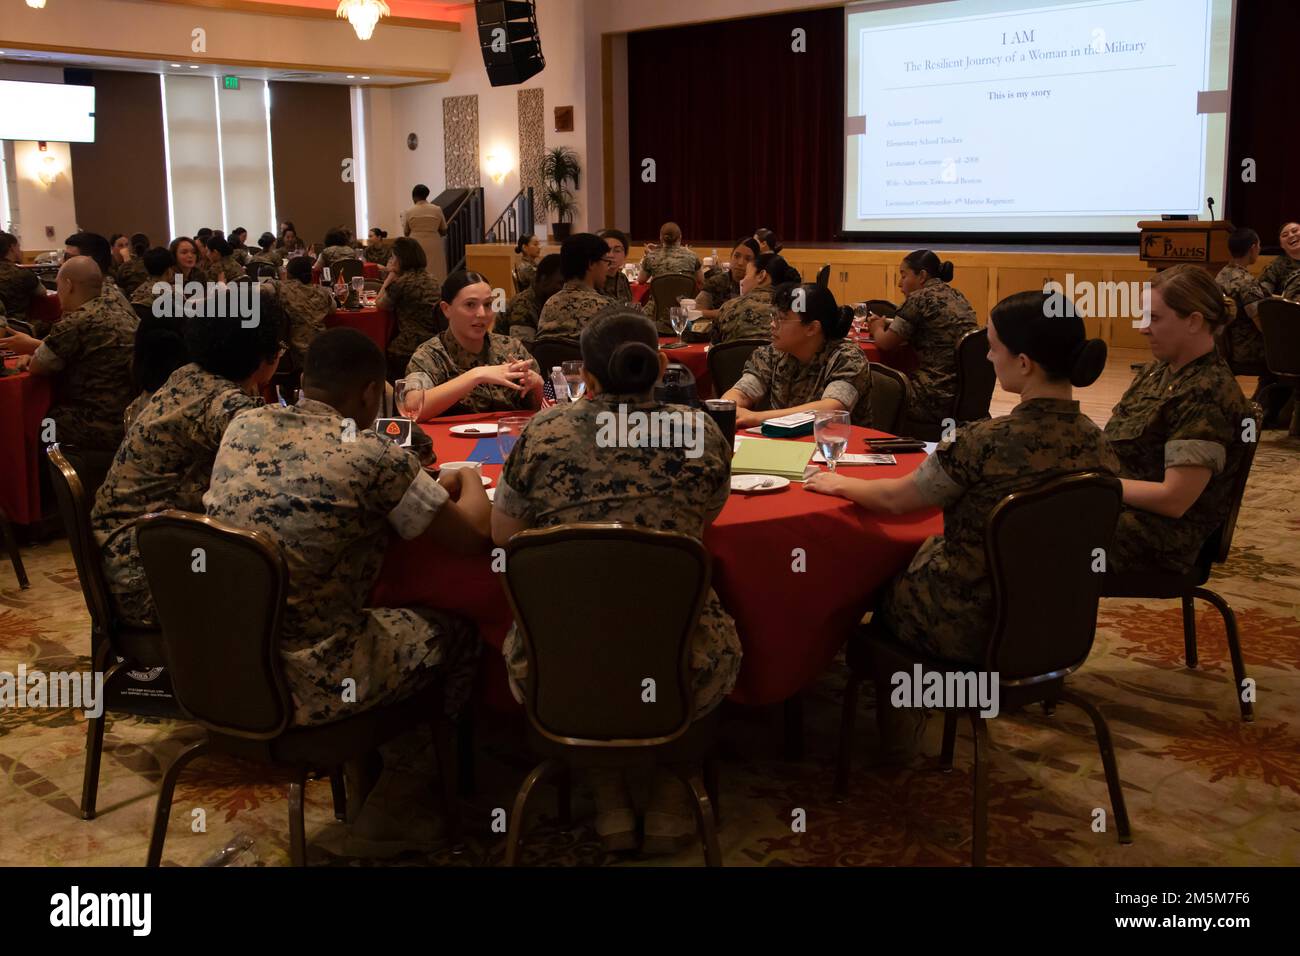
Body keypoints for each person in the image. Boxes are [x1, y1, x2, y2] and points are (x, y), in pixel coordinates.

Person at [806, 290, 1116, 760]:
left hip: (965, 625)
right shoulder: (1100, 447)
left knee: (862, 574)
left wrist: (837, 484)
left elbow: (896, 500)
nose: (988, 358)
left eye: (994, 347)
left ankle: (867, 722)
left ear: (1025, 363)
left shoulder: (983, 442)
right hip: (1057, 624)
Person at [492, 307, 740, 854]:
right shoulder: (698, 432)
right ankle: (674, 791)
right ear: (659, 367)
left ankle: (605, 792)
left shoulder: (544, 433)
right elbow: (706, 519)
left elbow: (504, 535)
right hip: (680, 657)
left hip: (561, 659)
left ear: (588, 375)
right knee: (701, 617)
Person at [204, 327, 487, 727]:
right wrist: (468, 476)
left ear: (303, 383)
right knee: (458, 630)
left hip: (225, 657)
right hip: (315, 675)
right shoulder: (374, 456)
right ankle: (426, 771)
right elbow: (472, 537)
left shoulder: (243, 426)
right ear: (372, 393)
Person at [91, 297, 282, 627]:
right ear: (263, 354)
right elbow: (289, 464)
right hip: (147, 577)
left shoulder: (188, 376)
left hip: (130, 551)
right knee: (290, 587)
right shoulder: (222, 404)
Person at [1104, 264, 1255, 576]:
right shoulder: (1158, 372)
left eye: (1154, 318)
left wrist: (1095, 485)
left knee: (1029, 535)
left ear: (1194, 321)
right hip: (1121, 509)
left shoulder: (1207, 392)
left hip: (1161, 538)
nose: (1143, 328)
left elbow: (1174, 500)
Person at [0, 256, 139, 452]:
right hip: (132, 415)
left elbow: (38, 367)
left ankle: (44, 481)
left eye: (57, 286)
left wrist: (30, 347)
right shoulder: (120, 308)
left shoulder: (75, 322)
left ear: (68, 285)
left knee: (30, 424)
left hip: (93, 422)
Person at [721, 283, 873, 428]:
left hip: (835, 448)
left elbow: (830, 411)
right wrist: (730, 407)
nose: (772, 325)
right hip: (783, 446)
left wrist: (758, 418)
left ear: (812, 328)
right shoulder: (771, 354)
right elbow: (741, 393)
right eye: (773, 316)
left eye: (781, 318)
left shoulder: (847, 358)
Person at [404, 271, 542, 419]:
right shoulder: (431, 355)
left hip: (508, 437)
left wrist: (538, 384)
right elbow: (412, 407)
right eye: (470, 305)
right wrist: (477, 375)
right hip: (453, 440)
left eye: (488, 304)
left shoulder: (511, 348)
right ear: (446, 309)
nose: (482, 314)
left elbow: (547, 405)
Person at [867, 250, 978, 433]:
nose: (899, 283)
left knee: (871, 386)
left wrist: (876, 327)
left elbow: (885, 343)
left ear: (922, 276)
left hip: (932, 397)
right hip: (964, 395)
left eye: (904, 276)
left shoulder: (919, 298)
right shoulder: (956, 295)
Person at [377, 236, 442, 382]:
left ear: (400, 259)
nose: (391, 261)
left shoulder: (402, 283)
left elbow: (379, 304)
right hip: (433, 342)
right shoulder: (432, 279)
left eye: (393, 257)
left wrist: (390, 276)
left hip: (407, 347)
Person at [535, 233, 613, 342]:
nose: (608, 268)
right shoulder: (605, 307)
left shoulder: (550, 303)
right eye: (606, 261)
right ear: (591, 264)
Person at [1215, 228, 1270, 376]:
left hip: (1223, 349)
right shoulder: (1247, 282)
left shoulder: (1221, 275)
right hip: (1248, 354)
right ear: (1253, 248)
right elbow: (1262, 324)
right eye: (1259, 246)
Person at [710, 252, 792, 344]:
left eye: (746, 275)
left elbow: (714, 349)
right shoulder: (793, 311)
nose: (742, 281)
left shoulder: (729, 307)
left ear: (761, 276)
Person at [272, 256, 334, 370]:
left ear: (289, 274)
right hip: (321, 351)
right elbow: (333, 309)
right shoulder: (322, 291)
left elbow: (256, 291)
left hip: (291, 354)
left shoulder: (281, 289)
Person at [638, 222, 702, 330]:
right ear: (680, 237)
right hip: (685, 308)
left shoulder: (651, 257)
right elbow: (701, 280)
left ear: (660, 238)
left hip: (656, 311)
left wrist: (648, 256)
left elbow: (641, 280)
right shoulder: (692, 256)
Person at [497, 253, 562, 343]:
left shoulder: (547, 301)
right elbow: (522, 350)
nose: (564, 288)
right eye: (560, 283)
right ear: (544, 280)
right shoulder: (523, 306)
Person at [697, 238, 760, 320]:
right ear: (731, 256)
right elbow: (696, 311)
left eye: (747, 259)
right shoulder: (716, 282)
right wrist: (721, 313)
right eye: (736, 256)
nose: (740, 263)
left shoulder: (759, 286)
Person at [66, 232, 132, 309]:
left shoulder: (101, 300)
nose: (63, 263)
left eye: (69, 258)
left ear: (88, 263)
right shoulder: (93, 290)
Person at [402, 184, 448, 281]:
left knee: (417, 270)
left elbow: (406, 232)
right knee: (436, 270)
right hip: (434, 242)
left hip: (415, 244)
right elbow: (444, 230)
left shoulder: (408, 211)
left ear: (413, 197)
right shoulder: (437, 209)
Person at [0, 231, 44, 319]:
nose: (20, 251)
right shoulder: (23, 274)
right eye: (18, 247)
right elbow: (42, 293)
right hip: (18, 324)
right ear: (12, 248)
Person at [1258, 221, 1300, 295]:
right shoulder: (1276, 266)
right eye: (1285, 235)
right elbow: (1263, 293)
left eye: (1295, 231)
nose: (1290, 235)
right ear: (1281, 245)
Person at [597, 229, 633, 303]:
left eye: (617, 251)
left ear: (625, 255)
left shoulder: (622, 278)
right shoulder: (594, 280)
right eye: (606, 250)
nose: (611, 255)